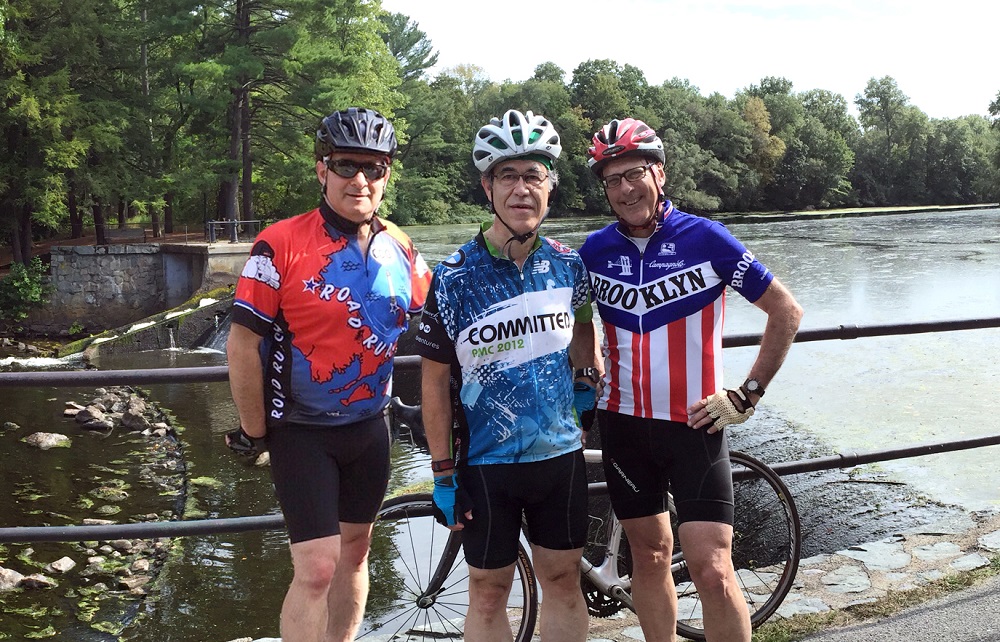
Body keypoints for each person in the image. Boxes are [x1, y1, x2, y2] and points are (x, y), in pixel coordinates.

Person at [579, 118, 803, 642]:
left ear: (659, 173)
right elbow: (579, 321)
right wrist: (585, 373)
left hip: (694, 426)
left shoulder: (706, 238)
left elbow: (786, 311)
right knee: (649, 560)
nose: (625, 188)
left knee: (712, 567)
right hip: (623, 427)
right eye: (612, 180)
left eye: (634, 173)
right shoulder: (594, 252)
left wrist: (747, 394)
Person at [225, 107, 431, 642]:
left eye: (374, 166)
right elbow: (242, 345)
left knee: (357, 552)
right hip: (302, 429)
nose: (360, 179)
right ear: (322, 170)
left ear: (387, 174)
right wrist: (253, 432)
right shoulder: (279, 244)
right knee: (317, 568)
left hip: (370, 425)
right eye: (345, 164)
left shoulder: (401, 247)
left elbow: (445, 319)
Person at [414, 108, 601, 642]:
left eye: (534, 175)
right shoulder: (453, 277)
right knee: (489, 590)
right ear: (487, 187)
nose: (522, 189)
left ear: (551, 185)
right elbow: (432, 383)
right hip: (485, 465)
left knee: (563, 581)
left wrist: (586, 381)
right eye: (508, 175)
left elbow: (586, 326)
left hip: (560, 458)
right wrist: (443, 472)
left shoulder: (569, 265)